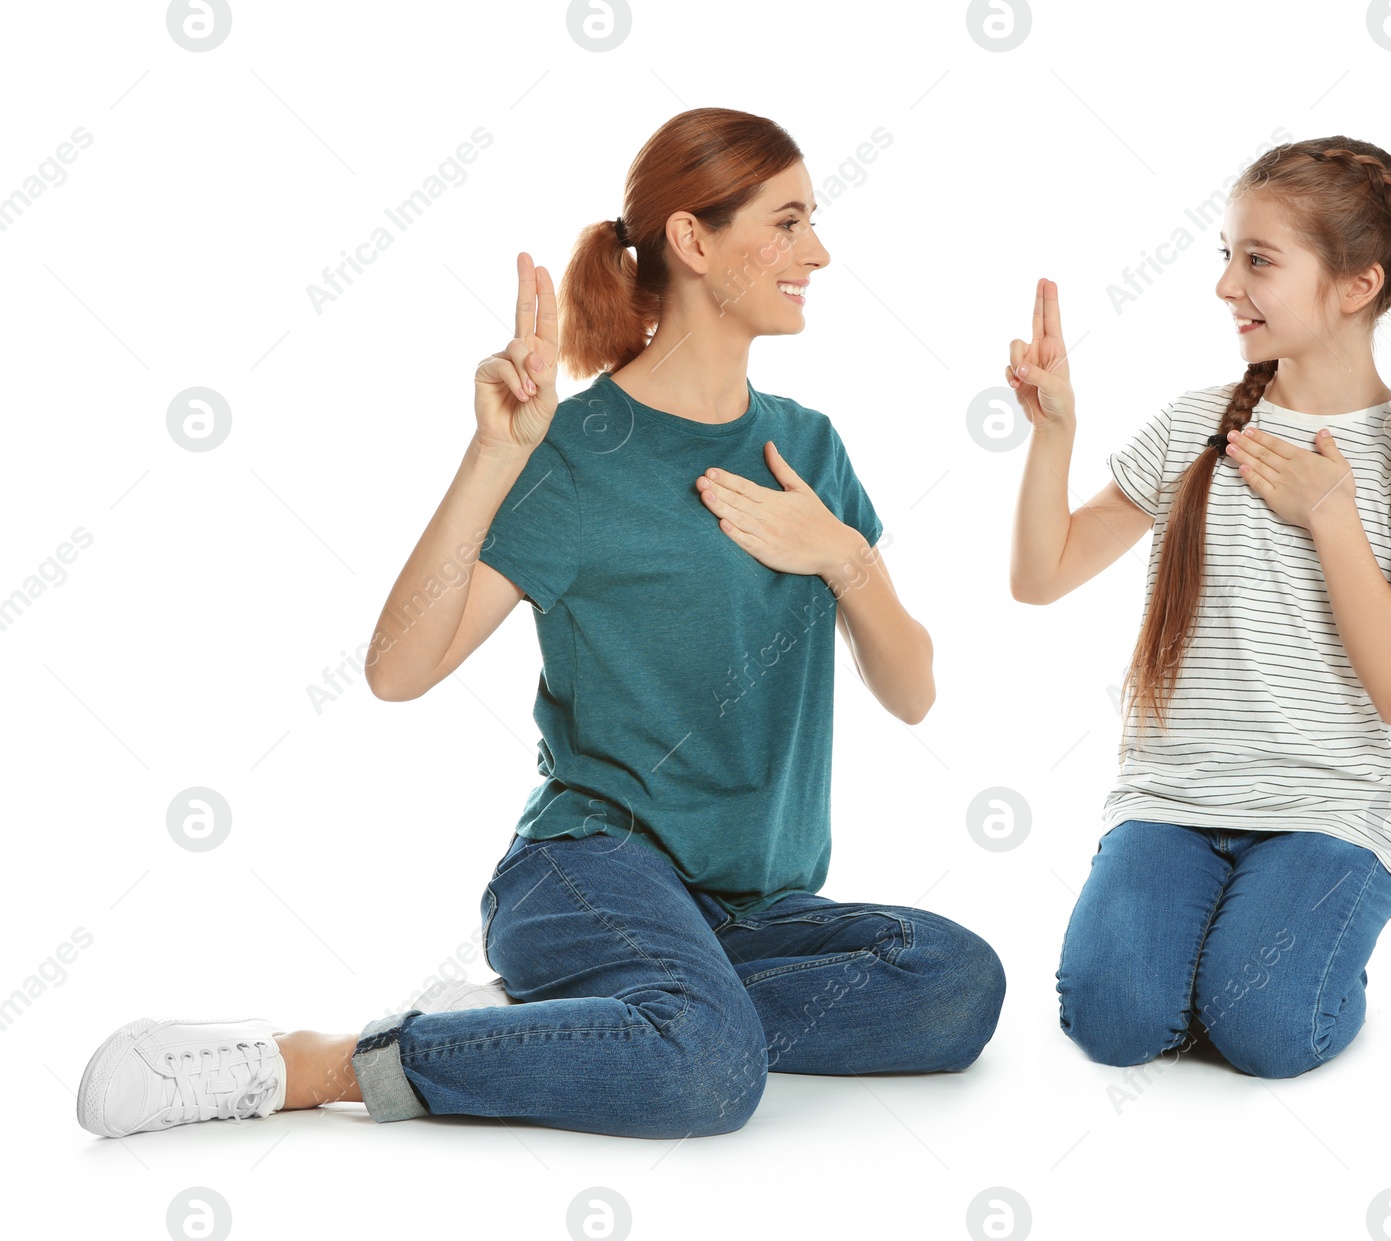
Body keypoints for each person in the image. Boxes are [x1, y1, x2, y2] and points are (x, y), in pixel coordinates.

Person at [76, 107, 1005, 1141]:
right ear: (694, 241)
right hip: (586, 869)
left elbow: (913, 689)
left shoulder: (807, 447)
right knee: (708, 1066)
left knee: (955, 983)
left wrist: (844, 553)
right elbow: (398, 668)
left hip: (751, 907)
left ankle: (599, 1019)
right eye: (787, 222)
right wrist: (495, 455)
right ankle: (325, 1061)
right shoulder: (577, 451)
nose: (818, 251)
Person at [1007, 138, 1391, 1079]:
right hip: (1172, 802)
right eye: (1225, 256)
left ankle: (1276, 952)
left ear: (1357, 286)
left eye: (1258, 260)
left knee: (1267, 1031)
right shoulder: (1198, 424)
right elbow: (1043, 574)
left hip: (1326, 811)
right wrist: (1054, 432)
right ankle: (1217, 951)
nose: (1227, 285)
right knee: (1111, 1021)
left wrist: (1329, 515)